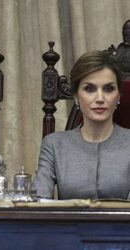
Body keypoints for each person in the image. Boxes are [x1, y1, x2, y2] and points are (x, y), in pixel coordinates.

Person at [32, 50, 130, 200]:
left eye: (108, 89)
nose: (100, 98)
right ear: (76, 95)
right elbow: (38, 202)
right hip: (68, 224)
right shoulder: (54, 144)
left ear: (119, 96)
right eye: (90, 89)